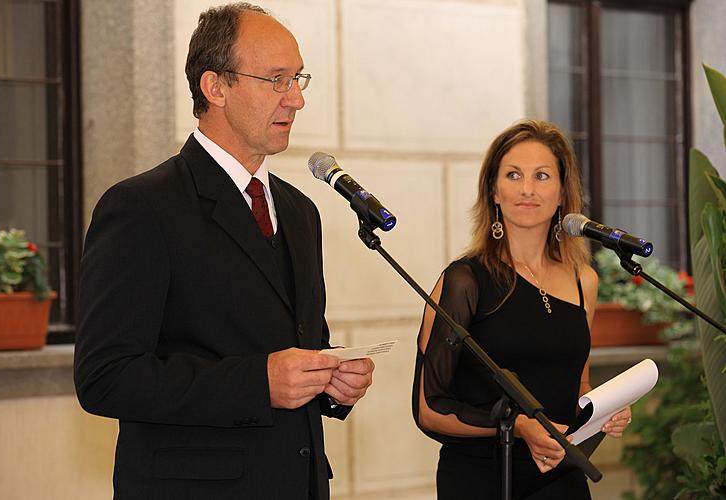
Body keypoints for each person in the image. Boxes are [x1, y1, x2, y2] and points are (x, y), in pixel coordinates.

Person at [74, 4, 374, 499]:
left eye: (298, 78)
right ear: (215, 87)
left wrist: (329, 382)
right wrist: (258, 382)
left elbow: (297, 346)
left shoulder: (300, 212)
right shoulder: (142, 206)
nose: (296, 99)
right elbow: (106, 377)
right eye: (277, 79)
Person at [412, 119, 632, 499]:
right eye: (513, 175)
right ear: (493, 191)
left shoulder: (584, 282)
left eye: (542, 176)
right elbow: (429, 409)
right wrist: (518, 426)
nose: (527, 189)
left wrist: (602, 412)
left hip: (561, 479)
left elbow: (575, 385)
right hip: (483, 480)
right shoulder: (465, 281)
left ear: (563, 192)